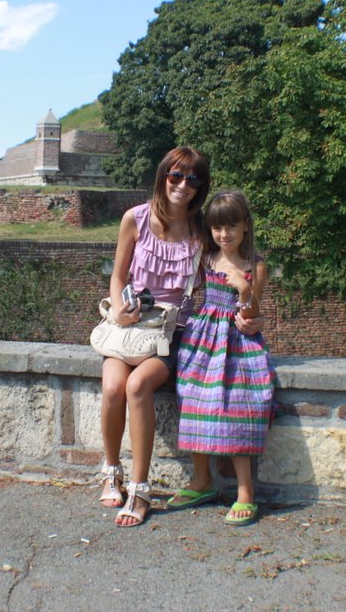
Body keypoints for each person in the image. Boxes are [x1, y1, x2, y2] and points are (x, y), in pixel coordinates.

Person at [98, 146, 211, 528]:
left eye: (193, 179)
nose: (183, 185)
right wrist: (118, 310)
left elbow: (226, 271)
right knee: (112, 387)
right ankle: (111, 470)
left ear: (201, 187)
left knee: (137, 386)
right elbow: (118, 276)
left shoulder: (200, 231)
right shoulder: (135, 219)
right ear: (163, 177)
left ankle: (140, 488)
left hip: (171, 333)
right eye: (176, 175)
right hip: (130, 328)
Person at [167, 190, 278, 526]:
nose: (224, 234)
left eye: (231, 226)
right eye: (217, 228)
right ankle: (202, 479)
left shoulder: (255, 265)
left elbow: (252, 313)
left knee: (237, 405)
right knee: (194, 399)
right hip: (203, 339)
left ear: (245, 226)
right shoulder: (207, 257)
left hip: (237, 342)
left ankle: (245, 491)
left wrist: (243, 290)